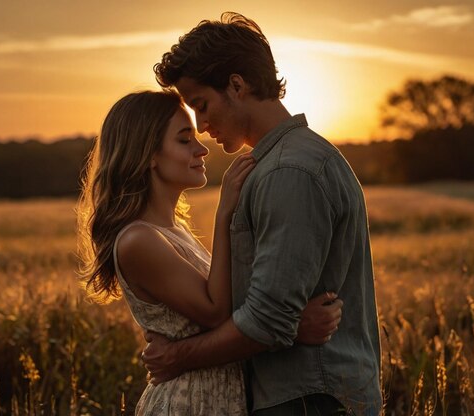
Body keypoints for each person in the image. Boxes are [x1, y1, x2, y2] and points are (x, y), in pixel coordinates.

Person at [142, 12, 382, 415]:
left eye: (202, 105)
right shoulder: (278, 165)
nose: (201, 126)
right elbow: (272, 314)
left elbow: (268, 320)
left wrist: (176, 357)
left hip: (308, 399)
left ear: (237, 85)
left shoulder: (289, 172)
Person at [77, 90, 344, 415]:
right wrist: (224, 213)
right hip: (186, 404)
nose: (202, 148)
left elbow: (227, 316)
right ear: (149, 154)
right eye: (184, 140)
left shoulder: (173, 232)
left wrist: (288, 324)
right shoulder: (137, 240)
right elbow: (216, 311)